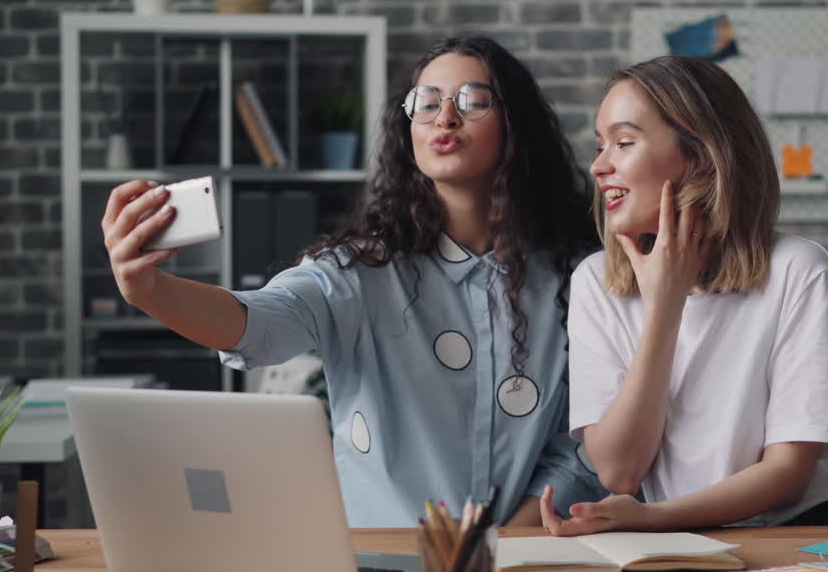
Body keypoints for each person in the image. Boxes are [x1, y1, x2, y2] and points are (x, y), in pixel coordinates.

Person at [101, 36, 606, 527]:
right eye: (425, 103)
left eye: (473, 101)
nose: (444, 117)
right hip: (384, 568)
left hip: (529, 563)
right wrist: (151, 290)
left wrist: (505, 540)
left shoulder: (579, 279)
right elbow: (259, 322)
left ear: (516, 126)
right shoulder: (358, 272)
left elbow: (586, 448)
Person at [540, 55, 828, 535]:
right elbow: (620, 472)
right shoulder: (595, 281)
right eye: (600, 146)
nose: (599, 166)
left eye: (623, 142)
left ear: (700, 155)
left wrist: (655, 519)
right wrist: (665, 307)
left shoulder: (799, 271)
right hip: (675, 542)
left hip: (792, 534)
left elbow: (788, 475)